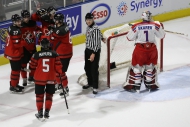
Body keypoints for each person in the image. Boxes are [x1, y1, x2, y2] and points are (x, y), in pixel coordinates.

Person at [123, 11, 165, 93]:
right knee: (150, 67)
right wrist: (160, 28)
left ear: (142, 17)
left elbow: (129, 37)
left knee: (137, 68)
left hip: (140, 50)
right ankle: (150, 85)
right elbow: (162, 35)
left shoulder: (136, 26)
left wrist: (133, 30)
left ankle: (137, 86)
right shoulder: (155, 25)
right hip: (152, 50)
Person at [29, 38, 68, 120]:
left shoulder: (36, 55)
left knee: (39, 96)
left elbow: (32, 66)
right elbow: (59, 67)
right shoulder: (54, 54)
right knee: (49, 96)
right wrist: (60, 71)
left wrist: (32, 74)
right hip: (51, 78)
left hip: (39, 78)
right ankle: (47, 113)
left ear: (41, 45)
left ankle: (40, 113)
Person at [82, 13, 106, 94]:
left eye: (90, 20)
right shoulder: (89, 27)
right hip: (88, 50)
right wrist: (102, 37)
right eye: (87, 20)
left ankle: (95, 86)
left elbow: (96, 43)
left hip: (94, 51)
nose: (88, 21)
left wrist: (93, 53)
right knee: (87, 68)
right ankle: (90, 83)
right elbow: (99, 34)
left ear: (93, 20)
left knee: (94, 69)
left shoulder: (95, 29)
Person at [49, 13, 72, 97]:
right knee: (56, 70)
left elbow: (51, 39)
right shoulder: (63, 26)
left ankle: (65, 88)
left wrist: (50, 32)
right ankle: (59, 84)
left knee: (61, 72)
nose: (55, 21)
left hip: (64, 53)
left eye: (56, 20)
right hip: (63, 52)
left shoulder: (60, 30)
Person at [4, 14, 24, 93]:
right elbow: (17, 45)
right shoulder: (16, 31)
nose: (19, 22)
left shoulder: (11, 27)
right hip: (14, 53)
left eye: (20, 21)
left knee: (16, 70)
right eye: (18, 21)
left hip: (11, 52)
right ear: (14, 22)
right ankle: (13, 86)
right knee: (15, 70)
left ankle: (15, 84)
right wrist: (24, 42)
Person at [20, 10, 40, 86]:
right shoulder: (20, 25)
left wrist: (38, 32)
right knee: (23, 65)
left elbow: (37, 29)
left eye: (28, 17)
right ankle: (24, 79)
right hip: (24, 48)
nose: (27, 19)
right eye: (25, 17)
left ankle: (31, 77)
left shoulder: (32, 23)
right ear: (22, 18)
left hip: (32, 46)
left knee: (34, 63)